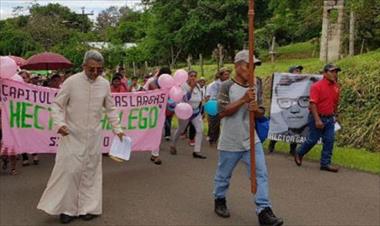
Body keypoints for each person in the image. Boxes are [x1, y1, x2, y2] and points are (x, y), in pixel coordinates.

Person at [37, 50, 124, 224]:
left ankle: (88, 208)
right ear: (84, 66)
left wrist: (118, 129)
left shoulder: (104, 84)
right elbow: (56, 105)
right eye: (91, 69)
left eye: (99, 70)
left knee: (90, 172)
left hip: (93, 136)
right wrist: (60, 124)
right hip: (71, 135)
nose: (95, 73)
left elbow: (111, 108)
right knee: (69, 171)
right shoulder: (71, 82)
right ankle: (67, 209)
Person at [213, 50, 283, 226]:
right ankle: (219, 199)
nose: (252, 70)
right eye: (248, 66)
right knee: (223, 175)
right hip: (230, 140)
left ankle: (264, 211)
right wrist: (243, 100)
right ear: (237, 66)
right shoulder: (226, 86)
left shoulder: (256, 84)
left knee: (261, 174)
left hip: (251, 139)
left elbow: (260, 112)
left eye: (255, 66)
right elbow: (221, 112)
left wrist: (255, 110)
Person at [294, 64, 341, 173]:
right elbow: (312, 104)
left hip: (330, 118)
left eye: (336, 72)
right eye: (332, 71)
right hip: (317, 117)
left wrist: (336, 114)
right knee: (312, 139)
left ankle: (325, 163)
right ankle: (299, 152)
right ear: (325, 73)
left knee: (329, 140)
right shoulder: (317, 86)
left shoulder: (336, 87)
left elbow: (335, 103)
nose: (335, 74)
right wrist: (317, 120)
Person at [170, 70, 206, 159]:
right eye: (191, 76)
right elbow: (185, 99)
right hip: (185, 112)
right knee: (181, 130)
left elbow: (200, 99)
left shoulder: (198, 86)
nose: (193, 77)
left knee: (200, 130)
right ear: (187, 77)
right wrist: (191, 88)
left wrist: (202, 111)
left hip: (196, 112)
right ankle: (173, 145)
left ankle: (196, 151)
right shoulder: (183, 86)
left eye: (195, 76)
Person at [268, 65, 304, 155]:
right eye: (296, 70)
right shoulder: (284, 83)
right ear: (291, 72)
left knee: (296, 130)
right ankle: (272, 144)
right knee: (280, 128)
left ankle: (292, 149)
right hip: (284, 109)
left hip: (296, 109)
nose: (298, 72)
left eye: (299, 71)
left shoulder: (302, 84)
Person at [146, 67, 172, 165]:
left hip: (161, 111)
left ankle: (155, 155)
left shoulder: (169, 84)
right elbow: (144, 91)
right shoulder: (152, 82)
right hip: (150, 110)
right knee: (153, 132)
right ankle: (153, 151)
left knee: (158, 132)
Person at [206, 68, 231, 145]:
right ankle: (212, 140)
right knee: (214, 124)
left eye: (228, 74)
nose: (227, 76)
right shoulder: (214, 85)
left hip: (225, 106)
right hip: (214, 106)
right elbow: (212, 97)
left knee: (224, 124)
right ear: (220, 76)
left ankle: (219, 139)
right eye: (225, 74)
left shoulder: (229, 84)